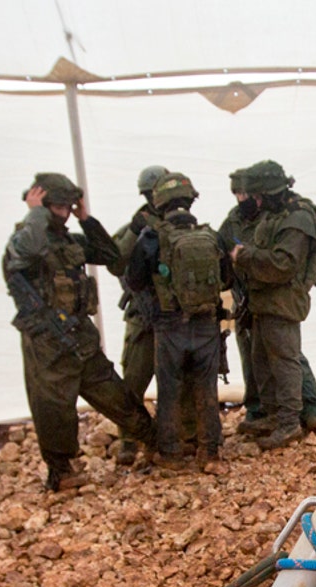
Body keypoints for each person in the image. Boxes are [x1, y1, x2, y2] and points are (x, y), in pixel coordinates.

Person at [3, 172, 154, 492]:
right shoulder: (24, 240)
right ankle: (62, 470)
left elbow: (112, 256)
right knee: (53, 407)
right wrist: (35, 212)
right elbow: (28, 250)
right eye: (57, 206)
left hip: (79, 336)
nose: (64, 211)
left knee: (117, 396)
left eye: (68, 206)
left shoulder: (71, 241)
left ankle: (154, 441)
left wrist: (85, 219)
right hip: (47, 342)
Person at [123, 172, 232, 470]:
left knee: (169, 390)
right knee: (206, 388)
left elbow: (133, 280)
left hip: (169, 325)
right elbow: (227, 279)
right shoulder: (211, 235)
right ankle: (209, 453)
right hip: (207, 324)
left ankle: (171, 454)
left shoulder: (150, 237)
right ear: (190, 200)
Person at [227, 160, 316, 450]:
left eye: (257, 196)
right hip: (264, 300)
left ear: (271, 193)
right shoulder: (276, 215)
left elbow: (283, 265)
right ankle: (273, 416)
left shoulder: (297, 219)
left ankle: (288, 423)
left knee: (285, 363)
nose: (254, 202)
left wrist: (245, 256)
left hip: (281, 302)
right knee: (261, 360)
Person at [111, 164, 171, 466]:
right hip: (142, 315)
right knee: (133, 380)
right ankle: (129, 438)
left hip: (172, 315)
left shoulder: (177, 221)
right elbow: (114, 260)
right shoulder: (136, 226)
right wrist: (136, 229)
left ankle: (172, 436)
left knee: (175, 381)